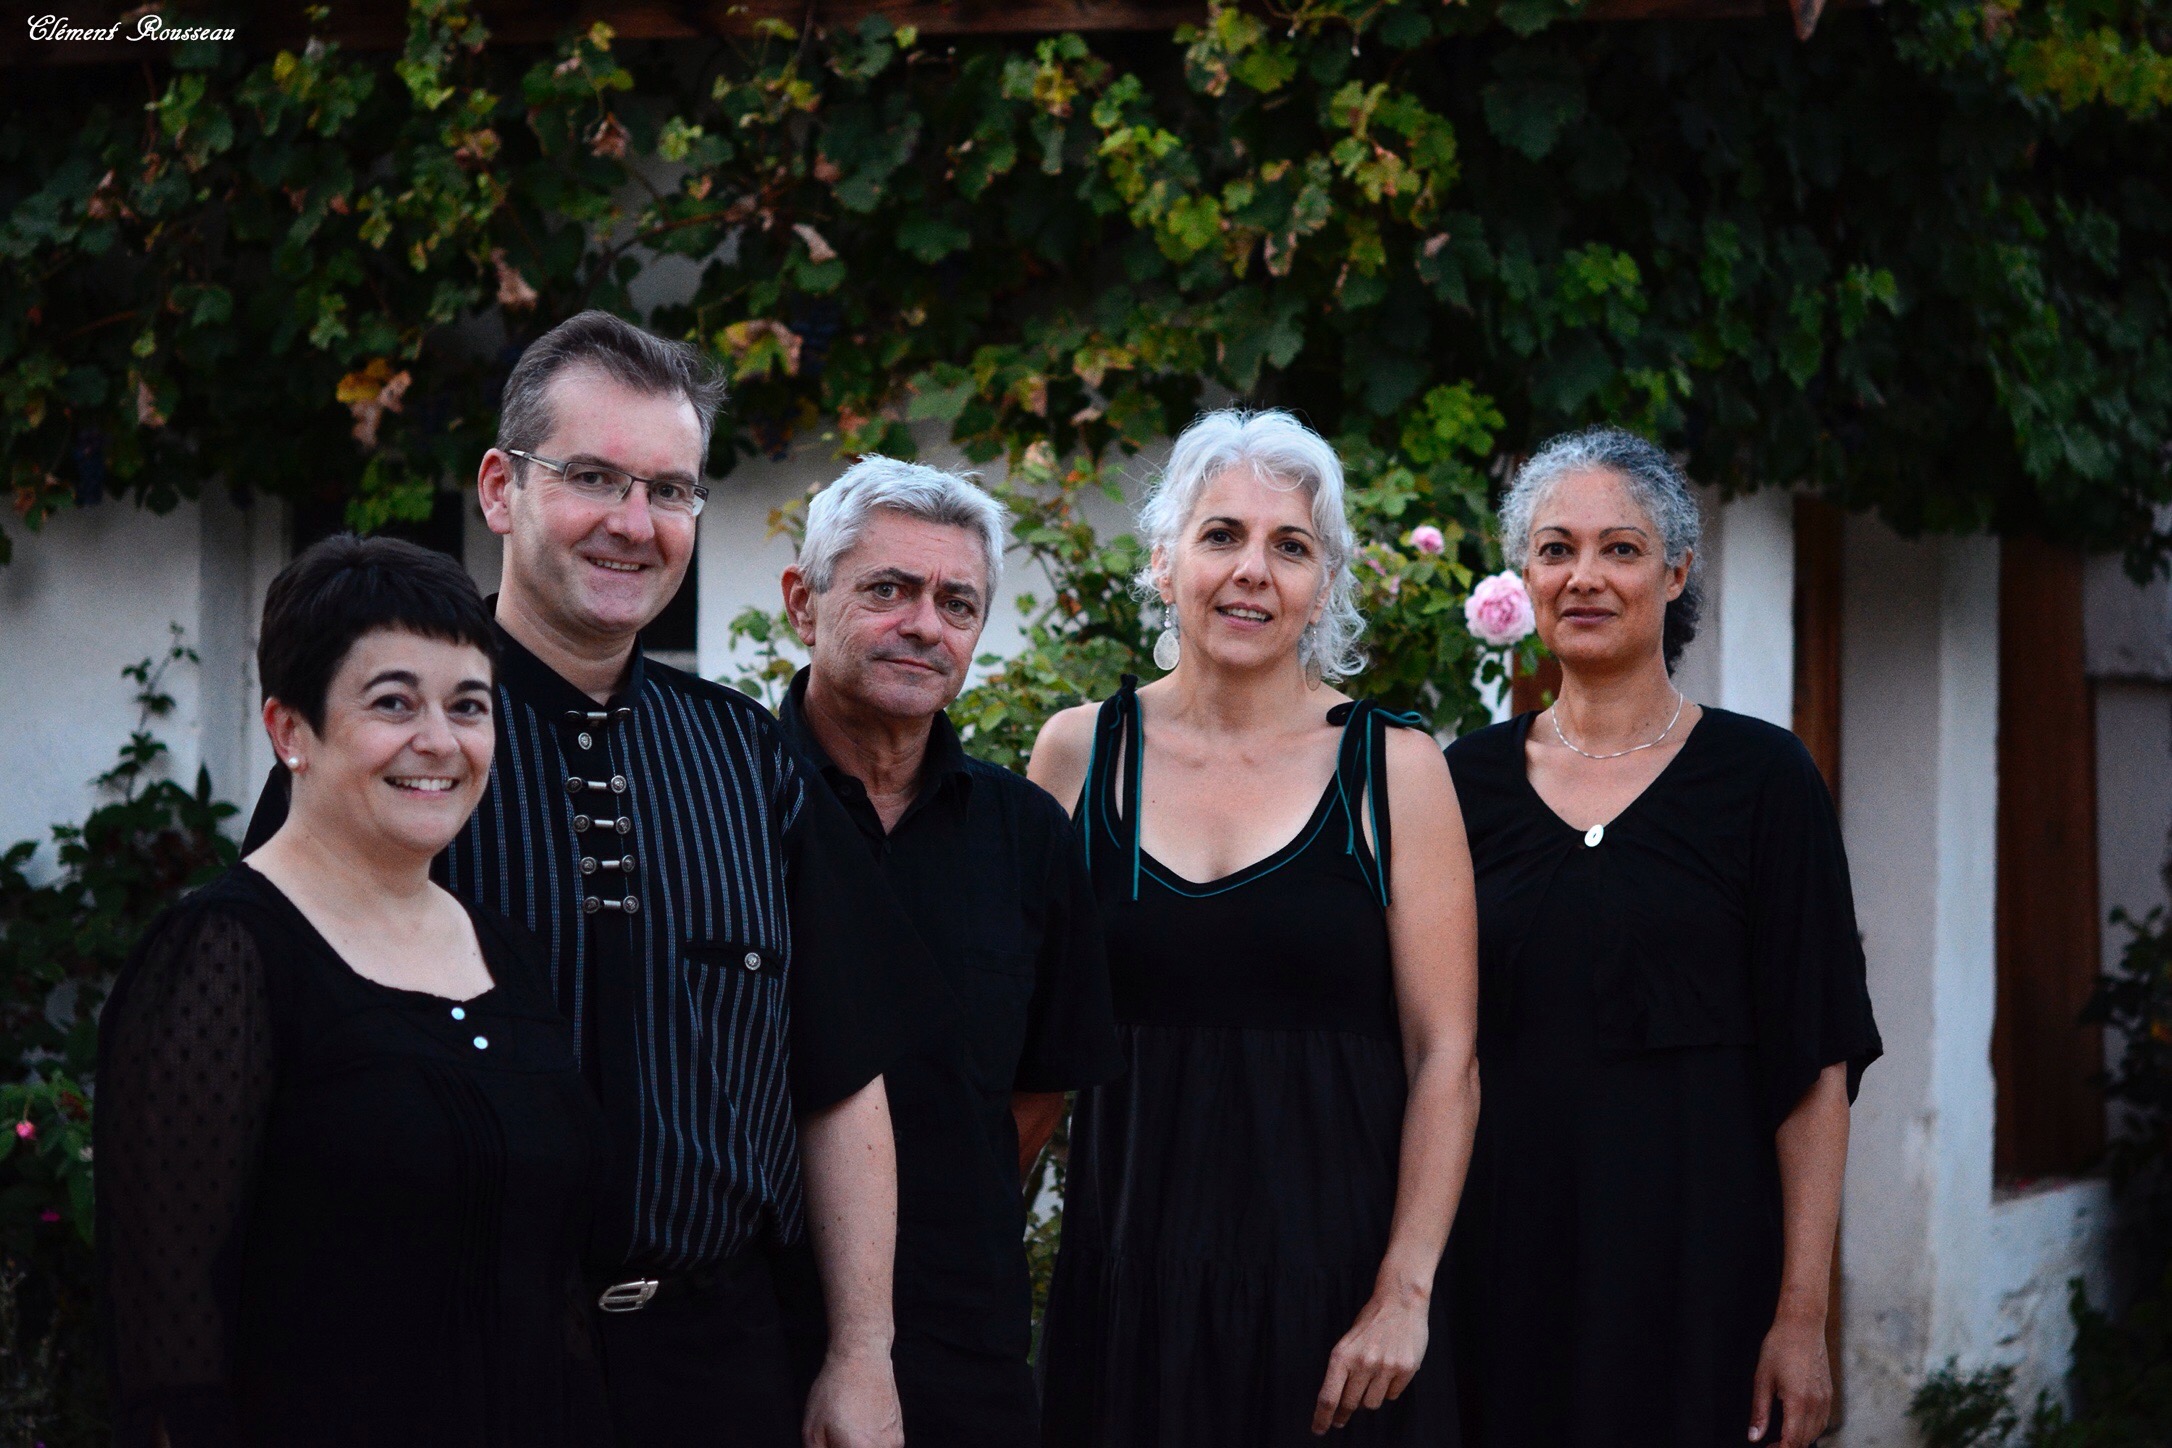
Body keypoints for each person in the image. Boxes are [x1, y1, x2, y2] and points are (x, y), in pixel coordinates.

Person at [239, 311, 920, 1448]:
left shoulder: (750, 760)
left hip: (718, 1366)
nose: (633, 523)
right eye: (593, 477)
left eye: (669, 489)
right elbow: (256, 1092)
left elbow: (840, 1079)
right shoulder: (391, 752)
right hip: (443, 1366)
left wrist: (860, 1353)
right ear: (500, 489)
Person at [1028, 408, 1482, 1447]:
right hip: (1129, 1297)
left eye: (1291, 546)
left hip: (1341, 1314)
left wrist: (1403, 1293)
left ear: (1325, 583)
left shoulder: (1394, 767)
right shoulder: (1078, 755)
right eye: (1221, 534)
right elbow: (1019, 1044)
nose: (1252, 572)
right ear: (1163, 561)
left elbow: (1446, 1056)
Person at [99, 534, 610, 1446]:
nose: (439, 742)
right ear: (289, 730)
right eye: (393, 703)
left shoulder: (509, 954)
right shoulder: (224, 956)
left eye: (468, 706)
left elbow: (551, 1288)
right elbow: (171, 1357)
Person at [1444, 426, 1882, 1448]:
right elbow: (1426, 1049)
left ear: (1675, 572)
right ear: (1524, 576)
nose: (1584, 576)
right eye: (1556, 549)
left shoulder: (1764, 780)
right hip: (1501, 1272)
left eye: (1621, 548)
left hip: (1702, 1281)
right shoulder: (1459, 785)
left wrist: (1802, 1316)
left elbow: (1816, 1063)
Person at [771, 455, 1124, 1446]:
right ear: (804, 603)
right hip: (750, 1330)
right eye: (887, 589)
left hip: (964, 1342)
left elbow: (1042, 1086)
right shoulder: (725, 808)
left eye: (956, 602)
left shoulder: (1027, 836)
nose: (925, 625)